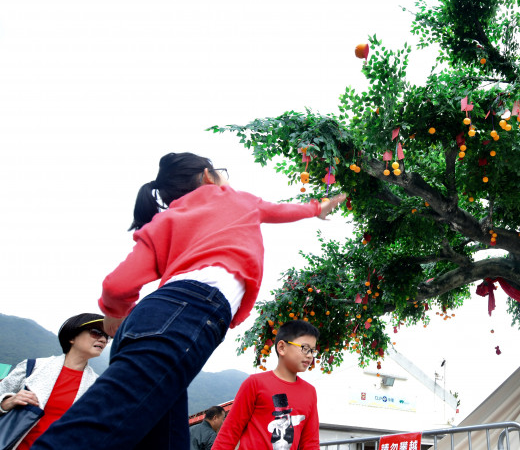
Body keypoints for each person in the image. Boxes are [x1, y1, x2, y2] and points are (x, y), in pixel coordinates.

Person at [33, 152, 345, 450]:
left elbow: (118, 285)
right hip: (191, 313)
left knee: (164, 439)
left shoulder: (165, 221)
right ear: (209, 176)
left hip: (149, 318)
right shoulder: (232, 198)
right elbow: (278, 210)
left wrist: (116, 316)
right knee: (96, 428)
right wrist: (317, 208)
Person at [0, 313, 108, 450]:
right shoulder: (32, 367)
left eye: (107, 336)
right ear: (72, 337)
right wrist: (6, 402)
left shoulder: (98, 386)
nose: (103, 340)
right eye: (96, 332)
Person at [213, 320, 321, 450]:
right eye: (304, 348)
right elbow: (230, 432)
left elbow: (311, 442)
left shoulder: (309, 392)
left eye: (313, 351)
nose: (310, 356)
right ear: (281, 347)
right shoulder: (255, 383)